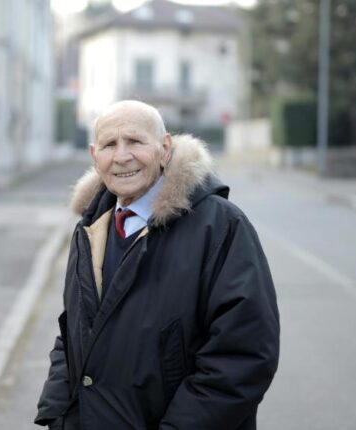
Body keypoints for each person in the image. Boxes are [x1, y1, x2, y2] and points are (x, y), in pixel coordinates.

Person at [35, 100, 280, 430]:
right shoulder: (91, 228)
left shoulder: (221, 226)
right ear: (95, 157)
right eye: (110, 145)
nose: (122, 156)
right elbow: (74, 334)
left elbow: (243, 355)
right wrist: (57, 413)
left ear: (165, 148)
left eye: (135, 141)